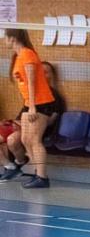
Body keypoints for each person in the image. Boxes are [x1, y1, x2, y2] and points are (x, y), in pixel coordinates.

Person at [1, 29, 57, 189]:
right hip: (29, 102)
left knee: (34, 140)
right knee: (25, 139)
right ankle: (36, 173)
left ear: (12, 38)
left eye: (5, 37)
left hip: (40, 102)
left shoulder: (27, 54)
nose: (4, 40)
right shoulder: (18, 56)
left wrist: (32, 107)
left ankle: (42, 177)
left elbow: (32, 82)